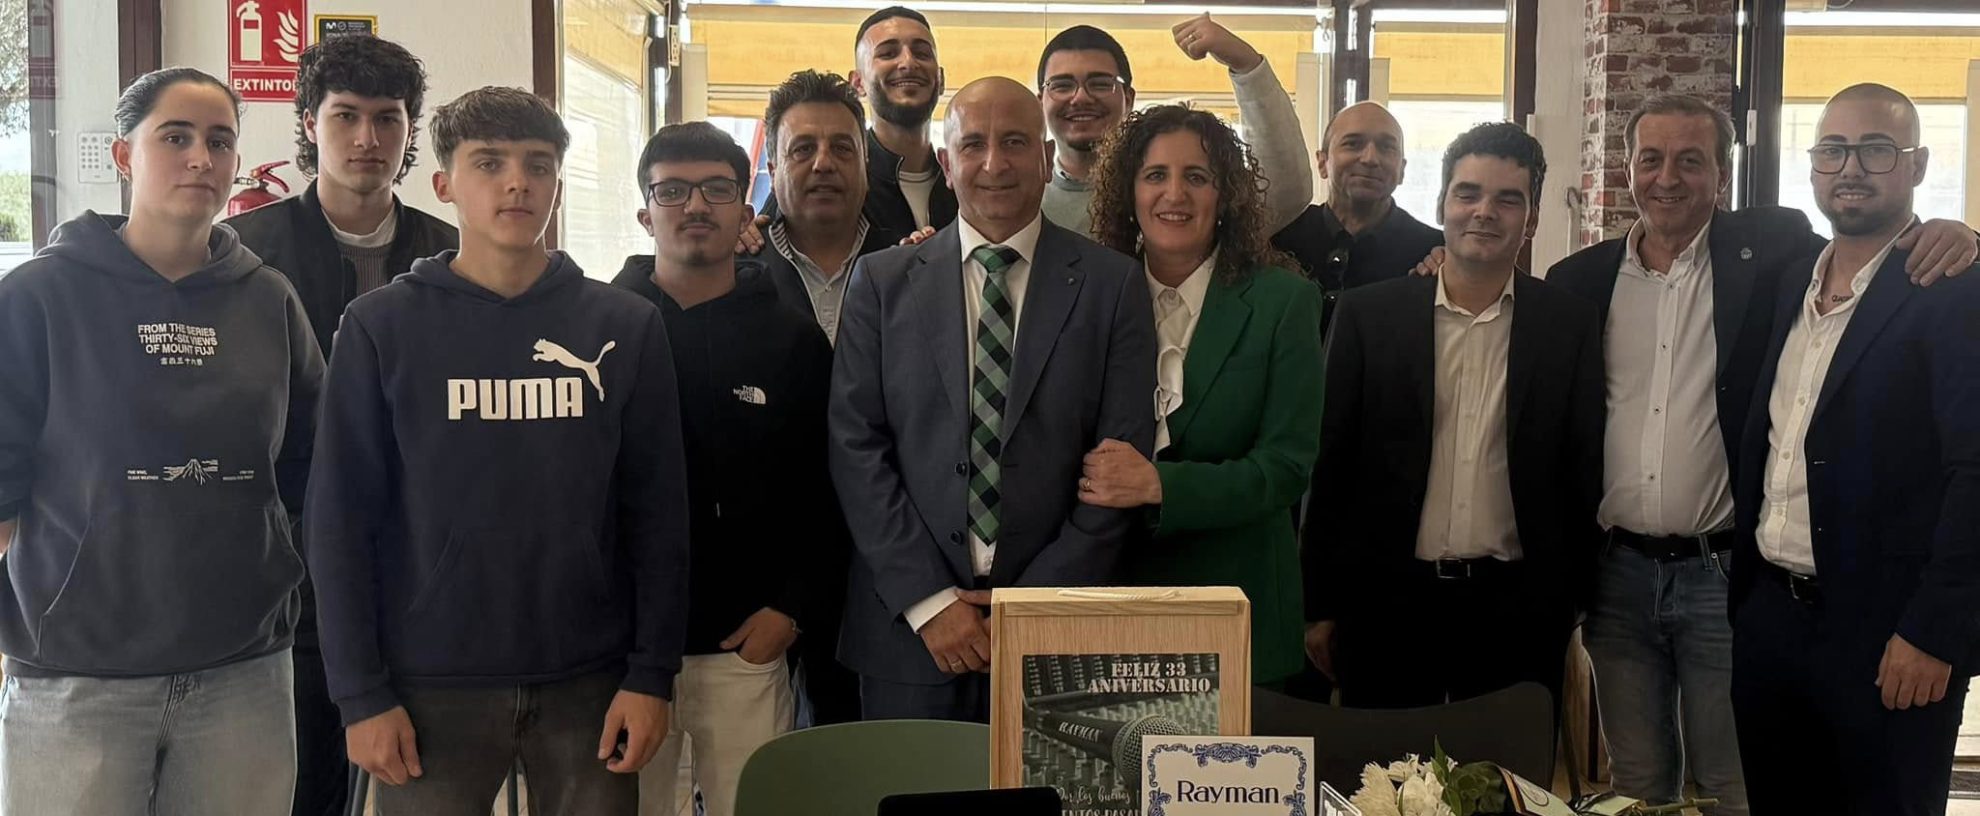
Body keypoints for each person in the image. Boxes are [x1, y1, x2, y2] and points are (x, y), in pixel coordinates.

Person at [1546, 93, 1978, 816]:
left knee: (1736, 786)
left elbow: (1972, 468)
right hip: (1632, 580)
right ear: (1626, 168)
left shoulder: (1771, 256)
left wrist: (1960, 233)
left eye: (1691, 160)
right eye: (1651, 159)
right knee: (1639, 787)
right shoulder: (1580, 282)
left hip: (1726, 576)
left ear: (1724, 175)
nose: (1668, 177)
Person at [306, 87, 689, 815]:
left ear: (558, 185)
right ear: (444, 184)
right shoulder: (380, 327)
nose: (517, 183)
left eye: (538, 165)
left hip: (591, 680)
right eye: (490, 163)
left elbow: (659, 514)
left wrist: (651, 675)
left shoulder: (625, 325)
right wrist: (360, 694)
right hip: (429, 684)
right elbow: (339, 521)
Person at [0, 67, 322, 814]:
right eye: (175, 137)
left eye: (219, 141)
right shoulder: (39, 297)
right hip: (79, 676)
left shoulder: (269, 299)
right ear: (124, 156)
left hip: (243, 672)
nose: (200, 158)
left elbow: (310, 469)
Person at [829, 77, 1156, 722]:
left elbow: (1119, 459)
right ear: (946, 163)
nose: (994, 163)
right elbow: (855, 447)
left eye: (1015, 142)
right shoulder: (882, 281)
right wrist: (929, 601)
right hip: (909, 633)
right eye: (973, 144)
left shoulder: (1112, 284)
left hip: (1060, 628)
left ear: (1045, 156)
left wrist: (1033, 608)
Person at [1729, 83, 1980, 816]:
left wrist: (1935, 632)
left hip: (1891, 635)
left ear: (1917, 165)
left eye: (1877, 150)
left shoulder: (1952, 289)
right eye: (1833, 150)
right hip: (1773, 622)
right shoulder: (1788, 282)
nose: (1851, 169)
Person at [223, 35, 458, 816]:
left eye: (388, 119)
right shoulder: (245, 255)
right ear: (309, 124)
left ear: (410, 131)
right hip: (285, 569)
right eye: (345, 116)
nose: (367, 138)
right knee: (303, 786)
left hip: (420, 563)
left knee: (421, 783)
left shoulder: (454, 255)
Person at [1301, 122, 1603, 709]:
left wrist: (1572, 600)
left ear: (1532, 220)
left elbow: (1582, 466)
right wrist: (1321, 605)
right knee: (1382, 768)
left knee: (1508, 766)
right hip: (1385, 602)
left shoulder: (1567, 324)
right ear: (1442, 203)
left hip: (1518, 608)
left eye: (1507, 199)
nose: (1484, 212)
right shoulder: (1368, 316)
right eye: (1468, 194)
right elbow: (1328, 464)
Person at [613, 122, 835, 816]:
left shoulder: (793, 340)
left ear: (746, 209)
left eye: (717, 189)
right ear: (645, 212)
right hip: (621, 650)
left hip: (747, 645)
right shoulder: (600, 331)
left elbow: (827, 487)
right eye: (672, 191)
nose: (695, 206)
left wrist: (791, 610)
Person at [1074, 105, 1324, 687]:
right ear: (1129, 192)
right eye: (1155, 175)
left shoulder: (1283, 302)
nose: (1175, 194)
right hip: (1110, 605)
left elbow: (1286, 468)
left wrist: (1161, 486)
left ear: (1225, 195)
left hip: (1240, 604)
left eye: (1197, 176)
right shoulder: (1085, 294)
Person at [752, 69, 879, 728]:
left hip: (882, 571)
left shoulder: (919, 267)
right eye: (802, 148)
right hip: (763, 584)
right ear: (773, 165)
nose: (823, 163)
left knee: (863, 753)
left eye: (842, 147)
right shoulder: (735, 276)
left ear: (866, 163)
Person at [1036, 17, 1310, 238]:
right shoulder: (1026, 202)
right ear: (1040, 102)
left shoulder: (1174, 196)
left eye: (1099, 84)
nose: (1081, 97)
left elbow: (1284, 195)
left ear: (1128, 99)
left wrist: (1246, 65)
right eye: (1062, 85)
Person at [1271, 101, 1443, 330]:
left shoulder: (1434, 254)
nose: (1370, 158)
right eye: (1352, 144)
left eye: (1386, 147)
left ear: (1402, 170)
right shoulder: (1278, 242)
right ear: (1322, 162)